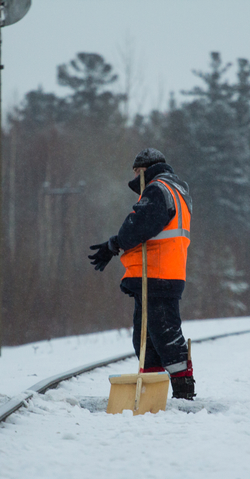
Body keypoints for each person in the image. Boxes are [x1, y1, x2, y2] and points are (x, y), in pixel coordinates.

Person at [88, 148, 195, 400]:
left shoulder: (158, 190)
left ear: (145, 169)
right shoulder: (175, 191)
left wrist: (113, 245)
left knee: (165, 335)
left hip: (157, 274)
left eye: (137, 172)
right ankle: (151, 395)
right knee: (146, 339)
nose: (136, 178)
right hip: (160, 274)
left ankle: (184, 392)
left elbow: (138, 225)